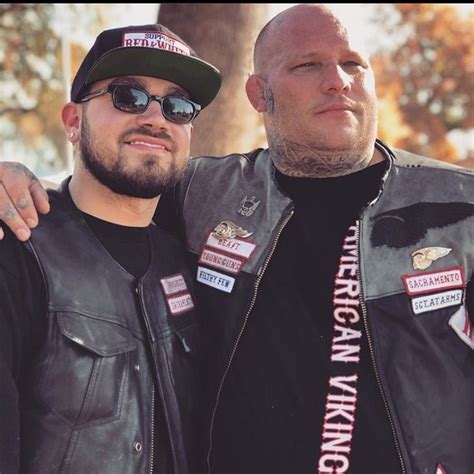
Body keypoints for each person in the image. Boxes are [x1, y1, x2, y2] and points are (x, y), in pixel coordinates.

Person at [0, 5, 473, 474]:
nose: (338, 80)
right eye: (308, 64)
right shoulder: (206, 194)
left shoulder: (460, 207)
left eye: (354, 64)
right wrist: (15, 180)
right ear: (258, 93)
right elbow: (108, 188)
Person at [0, 22, 221, 474]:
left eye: (178, 106)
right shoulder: (17, 250)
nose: (157, 118)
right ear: (73, 121)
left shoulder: (196, 264)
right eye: (128, 96)